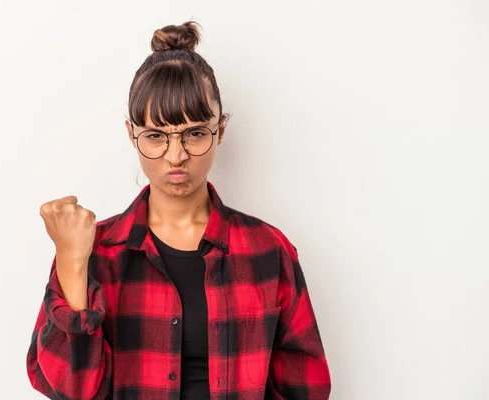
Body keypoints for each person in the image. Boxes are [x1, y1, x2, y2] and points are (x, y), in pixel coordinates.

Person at [26, 21, 331, 400]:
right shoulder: (93, 251)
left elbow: (306, 387)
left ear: (219, 131)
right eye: (156, 136)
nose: (176, 156)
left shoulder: (268, 250)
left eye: (195, 134)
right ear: (131, 134)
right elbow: (68, 390)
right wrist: (72, 260)